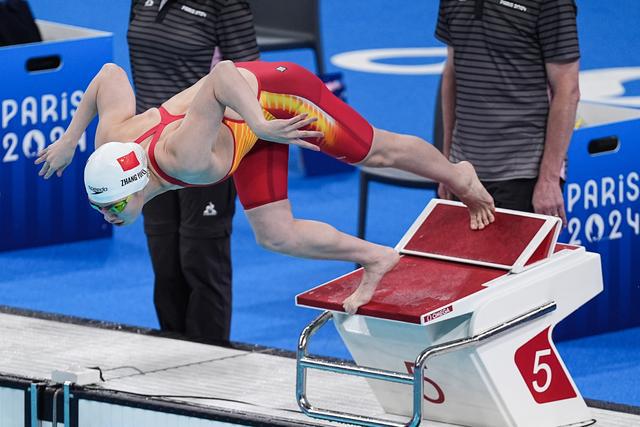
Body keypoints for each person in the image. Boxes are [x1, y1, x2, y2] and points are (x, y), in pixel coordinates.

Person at [34, 60, 496, 315]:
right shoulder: (111, 143)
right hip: (245, 135)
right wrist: (71, 140)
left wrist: (262, 122)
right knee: (275, 234)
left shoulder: (183, 158)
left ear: (134, 185)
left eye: (111, 207)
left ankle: (459, 174)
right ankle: (378, 258)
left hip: (271, 100)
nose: (107, 217)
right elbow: (110, 74)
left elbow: (222, 76)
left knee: (376, 151)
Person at [127, 0, 260, 344]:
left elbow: (250, 79)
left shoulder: (225, 3)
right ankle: (172, 354)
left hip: (203, 152)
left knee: (201, 261)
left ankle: (210, 357)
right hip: (151, 153)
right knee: (165, 262)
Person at [435, 0, 580, 226]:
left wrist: (549, 180)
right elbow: (452, 73)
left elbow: (567, 91)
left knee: (514, 262)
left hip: (523, 175)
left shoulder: (552, 3)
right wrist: (446, 165)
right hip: (463, 172)